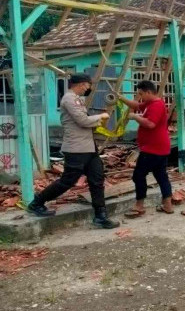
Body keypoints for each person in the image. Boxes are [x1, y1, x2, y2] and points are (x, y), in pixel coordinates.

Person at [26, 74, 119, 229]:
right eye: (87, 86)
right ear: (81, 84)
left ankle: (100, 216)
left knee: (97, 180)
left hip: (89, 147)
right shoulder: (70, 99)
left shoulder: (76, 99)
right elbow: (82, 121)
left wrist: (96, 122)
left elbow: (85, 121)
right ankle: (37, 203)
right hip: (76, 148)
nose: (88, 89)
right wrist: (100, 116)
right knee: (67, 181)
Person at [119, 80, 173, 217]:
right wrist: (120, 98)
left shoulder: (156, 105)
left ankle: (139, 206)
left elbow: (150, 124)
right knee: (161, 175)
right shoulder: (150, 103)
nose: (140, 96)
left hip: (153, 148)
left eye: (141, 94)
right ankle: (168, 204)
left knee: (138, 176)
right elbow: (136, 105)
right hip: (159, 147)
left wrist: (135, 117)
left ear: (149, 92)